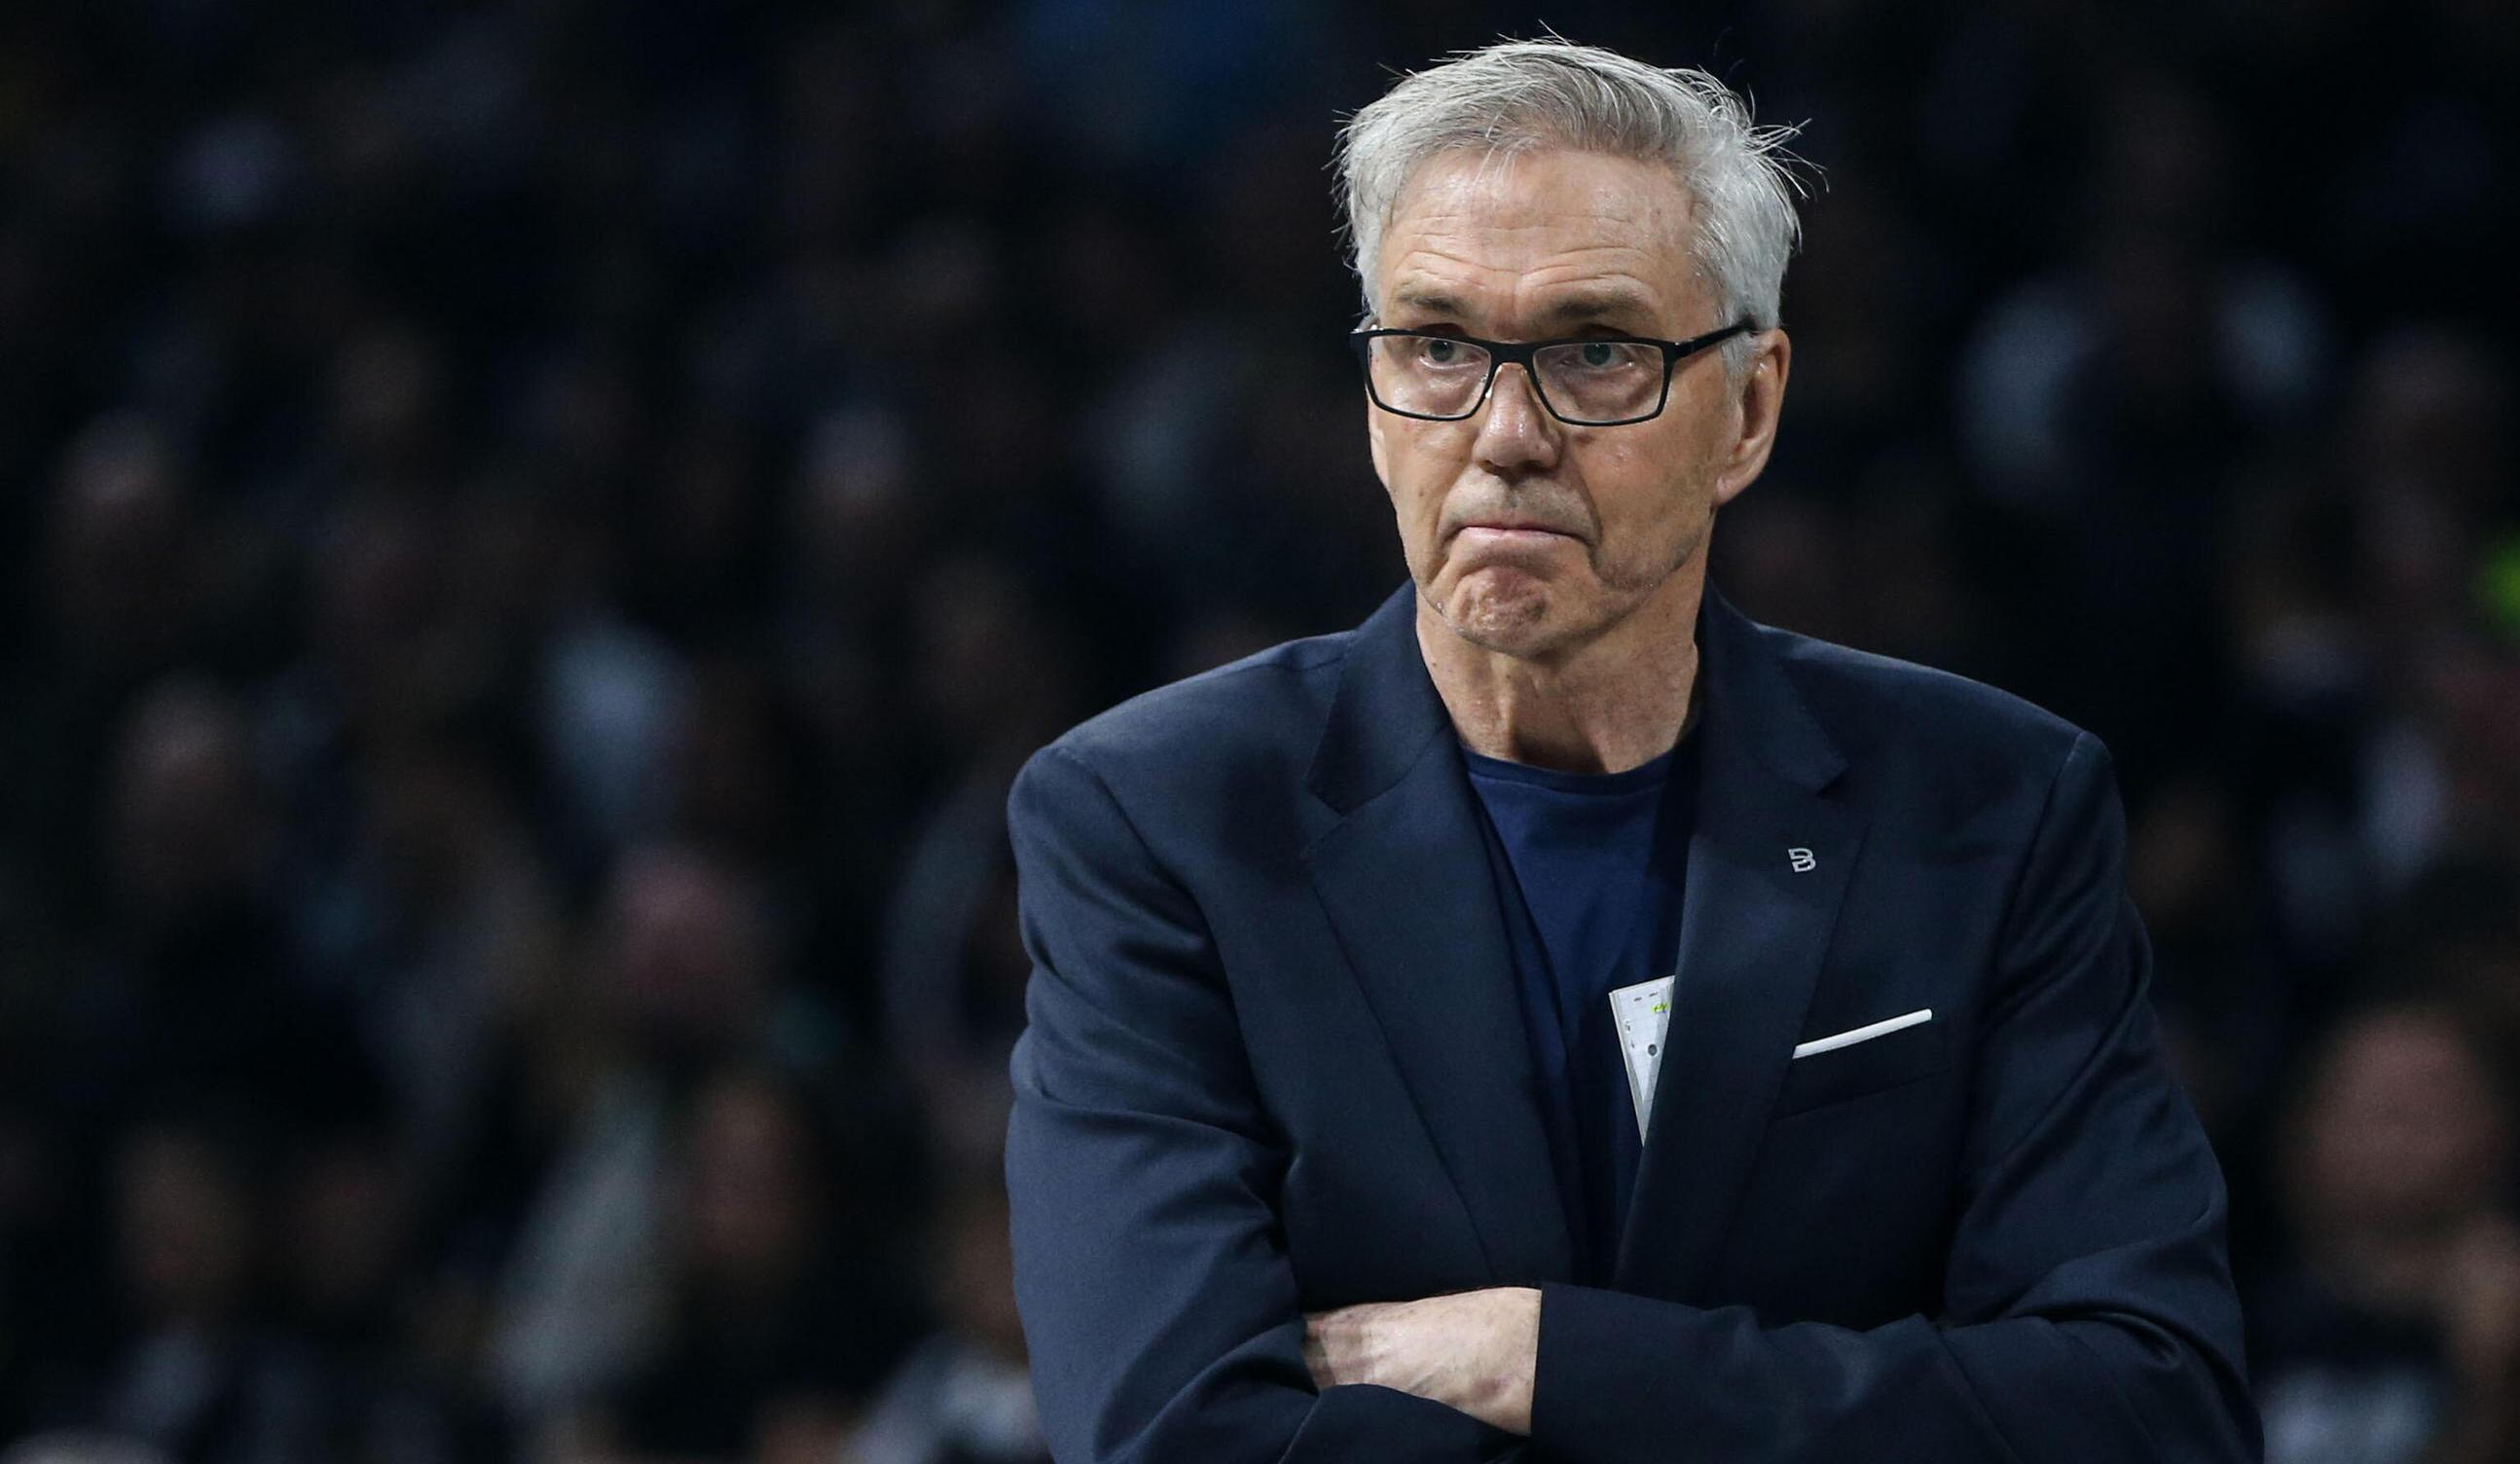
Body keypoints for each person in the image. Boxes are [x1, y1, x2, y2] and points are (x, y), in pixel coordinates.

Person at [1002, 38, 2259, 1463]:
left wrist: (1550, 1360)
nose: (1504, 434)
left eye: (1596, 351)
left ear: (1750, 409)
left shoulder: (1990, 807)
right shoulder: (1157, 822)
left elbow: (2147, 1410)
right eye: (1436, 346)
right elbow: (1176, 1438)